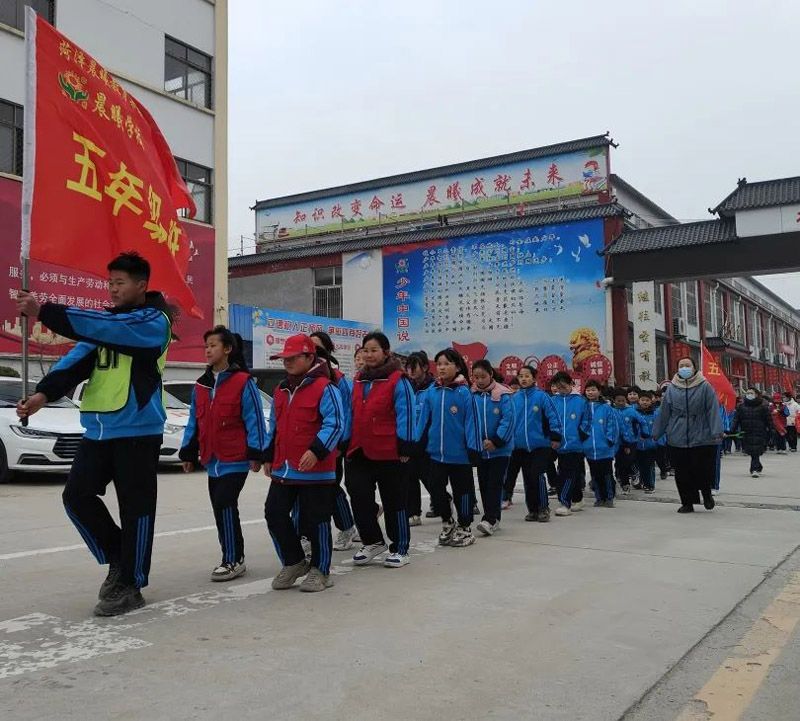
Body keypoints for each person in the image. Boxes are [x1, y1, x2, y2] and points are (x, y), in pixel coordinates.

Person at [15, 252, 171, 616]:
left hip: (138, 429)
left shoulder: (153, 322)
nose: (113, 289)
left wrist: (46, 311)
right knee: (76, 497)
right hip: (99, 429)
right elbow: (75, 361)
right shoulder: (103, 323)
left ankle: (131, 583)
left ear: (141, 286)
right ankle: (119, 557)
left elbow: (109, 331)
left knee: (137, 510)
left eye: (120, 283)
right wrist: (43, 394)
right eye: (110, 283)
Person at [179, 326, 267, 581]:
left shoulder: (243, 381)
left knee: (225, 503)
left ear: (227, 349)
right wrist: (188, 452)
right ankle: (232, 556)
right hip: (212, 459)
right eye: (206, 346)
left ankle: (233, 560)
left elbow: (254, 419)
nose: (208, 350)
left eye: (214, 345)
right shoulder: (200, 385)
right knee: (220, 508)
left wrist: (257, 453)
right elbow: (194, 421)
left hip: (236, 457)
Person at [264, 334, 345, 593]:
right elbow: (274, 427)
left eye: (293, 357)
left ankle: (321, 570)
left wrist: (316, 450)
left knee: (316, 519)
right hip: (285, 467)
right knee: (274, 512)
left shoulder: (326, 388)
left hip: (316, 470)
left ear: (310, 357)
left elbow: (336, 423)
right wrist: (268, 456)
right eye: (284, 358)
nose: (287, 362)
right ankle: (294, 561)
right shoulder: (280, 389)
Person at [345, 332, 415, 568]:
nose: (369, 354)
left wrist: (405, 444)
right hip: (359, 449)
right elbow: (351, 413)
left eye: (374, 350)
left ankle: (400, 547)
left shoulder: (398, 380)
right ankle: (373, 541)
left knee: (394, 500)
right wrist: (345, 441)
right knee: (358, 495)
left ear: (386, 352)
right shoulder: (358, 379)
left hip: (389, 450)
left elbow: (407, 413)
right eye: (366, 350)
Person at [415, 348, 478, 547]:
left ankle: (465, 527)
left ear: (457, 366)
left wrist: (473, 447)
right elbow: (422, 420)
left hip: (460, 455)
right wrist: (414, 442)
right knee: (435, 489)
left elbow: (471, 422)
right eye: (439, 364)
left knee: (463, 492)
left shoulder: (464, 392)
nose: (441, 367)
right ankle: (447, 521)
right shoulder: (432, 392)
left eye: (446, 363)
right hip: (436, 454)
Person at [308, 331, 359, 552]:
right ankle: (305, 533)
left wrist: (339, 444)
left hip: (332, 445)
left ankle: (347, 527)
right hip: (306, 445)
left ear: (328, 352)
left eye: (318, 348)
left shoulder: (339, 381)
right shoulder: (303, 378)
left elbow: (345, 414)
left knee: (330, 487)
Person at [652, 357, 723, 513]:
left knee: (702, 470)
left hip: (702, 435)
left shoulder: (705, 386)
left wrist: (716, 431)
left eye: (687, 365)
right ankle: (687, 502)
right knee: (682, 472)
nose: (684, 368)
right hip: (677, 435)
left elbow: (712, 409)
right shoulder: (671, 388)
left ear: (694, 367)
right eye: (681, 365)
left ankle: (706, 493)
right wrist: (657, 432)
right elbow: (665, 412)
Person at [510, 365, 562, 521]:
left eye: (527, 376)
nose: (523, 379)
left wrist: (555, 437)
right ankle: (532, 509)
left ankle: (543, 508)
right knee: (527, 477)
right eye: (521, 376)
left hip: (540, 444)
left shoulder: (542, 397)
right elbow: (510, 421)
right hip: (520, 447)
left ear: (534, 378)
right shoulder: (514, 399)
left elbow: (553, 417)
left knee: (537, 475)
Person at [470, 360, 515, 536]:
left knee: (495, 484)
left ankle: (490, 519)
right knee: (483, 483)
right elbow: (469, 421)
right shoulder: (471, 394)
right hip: (481, 449)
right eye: (476, 377)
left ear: (491, 374)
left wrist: (496, 441)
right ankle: (492, 517)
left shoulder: (503, 394)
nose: (480, 380)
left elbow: (508, 420)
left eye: (483, 376)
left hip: (500, 450)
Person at [550, 371, 587, 517]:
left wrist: (581, 435)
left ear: (571, 384)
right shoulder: (553, 401)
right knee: (572, 473)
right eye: (558, 387)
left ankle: (565, 502)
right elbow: (549, 419)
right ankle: (578, 499)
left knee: (567, 473)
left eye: (563, 386)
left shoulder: (581, 401)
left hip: (575, 444)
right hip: (558, 444)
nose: (561, 389)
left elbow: (587, 421)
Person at [405, 351, 436, 524]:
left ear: (425, 367)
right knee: (410, 477)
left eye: (414, 367)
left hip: (427, 441)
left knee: (428, 477)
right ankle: (414, 513)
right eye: (408, 367)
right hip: (409, 440)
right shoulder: (407, 387)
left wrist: (425, 439)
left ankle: (443, 499)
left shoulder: (433, 388)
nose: (410, 371)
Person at [580, 380, 619, 507]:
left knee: (607, 474)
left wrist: (609, 440)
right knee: (594, 474)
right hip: (589, 448)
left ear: (599, 391)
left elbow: (612, 426)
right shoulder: (583, 407)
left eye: (593, 390)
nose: (590, 392)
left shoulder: (606, 408)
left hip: (604, 448)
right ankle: (599, 497)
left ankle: (609, 497)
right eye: (588, 390)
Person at [731, 388, 772, 478]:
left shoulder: (763, 406)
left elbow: (769, 420)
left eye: (751, 393)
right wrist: (732, 429)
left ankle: (754, 469)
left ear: (756, 394)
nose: (749, 394)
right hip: (746, 432)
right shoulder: (741, 406)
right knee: (752, 451)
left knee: (755, 451)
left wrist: (771, 430)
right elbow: (736, 419)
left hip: (759, 432)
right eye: (748, 393)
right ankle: (758, 467)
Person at [633, 391, 661, 495]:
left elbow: (658, 427)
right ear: (638, 401)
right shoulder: (635, 413)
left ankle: (650, 485)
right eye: (642, 400)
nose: (644, 402)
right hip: (638, 445)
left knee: (649, 466)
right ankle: (644, 483)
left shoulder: (655, 413)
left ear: (651, 401)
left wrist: (655, 439)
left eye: (647, 400)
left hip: (651, 445)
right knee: (641, 465)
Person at [611, 388, 637, 493]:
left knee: (628, 461)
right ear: (614, 401)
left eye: (623, 401)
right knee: (619, 462)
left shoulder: (631, 411)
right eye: (618, 401)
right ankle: (624, 483)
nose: (621, 403)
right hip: (617, 442)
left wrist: (640, 434)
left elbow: (640, 422)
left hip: (630, 441)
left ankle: (633, 474)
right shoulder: (611, 411)